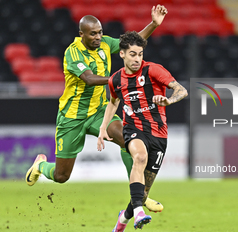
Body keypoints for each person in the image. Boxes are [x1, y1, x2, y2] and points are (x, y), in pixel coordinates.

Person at [25, 5, 168, 213]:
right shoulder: (73, 53)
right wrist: (116, 80)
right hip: (72, 117)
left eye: (100, 32)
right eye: (93, 34)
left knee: (128, 138)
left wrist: (154, 24)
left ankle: (140, 194)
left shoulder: (104, 44)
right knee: (61, 176)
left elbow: (132, 44)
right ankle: (40, 166)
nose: (98, 37)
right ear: (81, 34)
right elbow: (89, 79)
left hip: (100, 111)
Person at [97, 31, 188, 232]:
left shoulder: (153, 70)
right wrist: (103, 129)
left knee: (144, 192)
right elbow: (113, 102)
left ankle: (125, 216)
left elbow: (182, 90)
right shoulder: (116, 79)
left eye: (139, 54)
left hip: (159, 134)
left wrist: (168, 101)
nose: (137, 59)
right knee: (139, 157)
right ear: (122, 55)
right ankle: (139, 211)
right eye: (132, 54)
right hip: (133, 128)